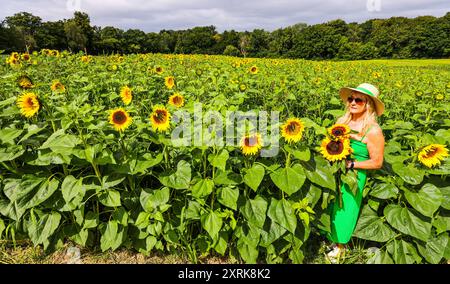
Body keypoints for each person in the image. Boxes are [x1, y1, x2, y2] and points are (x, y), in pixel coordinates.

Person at [326, 83, 385, 263]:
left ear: (368, 105)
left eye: (358, 100)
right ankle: (329, 238)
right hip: (335, 169)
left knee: (346, 208)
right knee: (331, 205)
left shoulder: (373, 130)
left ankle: (340, 247)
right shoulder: (341, 122)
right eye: (350, 98)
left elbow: (377, 162)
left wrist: (351, 164)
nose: (352, 102)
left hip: (354, 174)